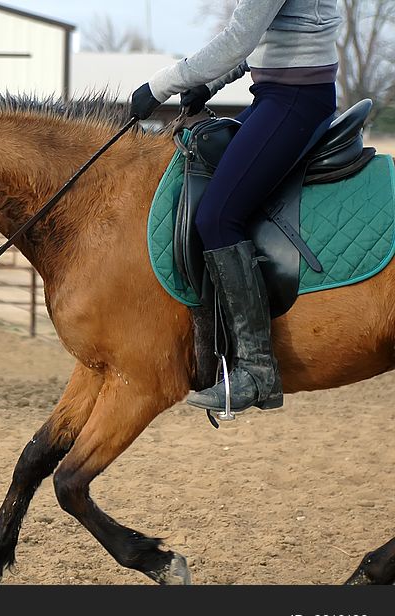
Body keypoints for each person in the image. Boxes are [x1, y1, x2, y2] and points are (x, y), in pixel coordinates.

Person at [129, 0, 341, 414]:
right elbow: (259, 39)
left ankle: (258, 370)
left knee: (218, 216)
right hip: (279, 92)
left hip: (294, 96)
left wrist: (160, 85)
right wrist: (211, 84)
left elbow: (239, 38)